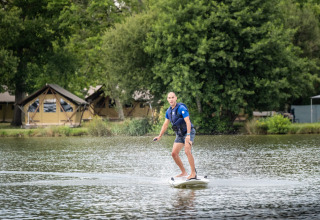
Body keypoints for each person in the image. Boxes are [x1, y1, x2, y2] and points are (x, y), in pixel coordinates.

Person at [153, 92, 197, 180]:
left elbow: (188, 122)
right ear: (167, 99)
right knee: (174, 154)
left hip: (188, 132)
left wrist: (188, 135)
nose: (171, 99)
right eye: (169, 98)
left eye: (172, 97)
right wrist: (160, 136)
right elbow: (165, 124)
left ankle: (193, 173)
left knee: (187, 150)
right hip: (180, 134)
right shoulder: (168, 111)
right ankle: (184, 172)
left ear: (176, 98)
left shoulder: (181, 108)